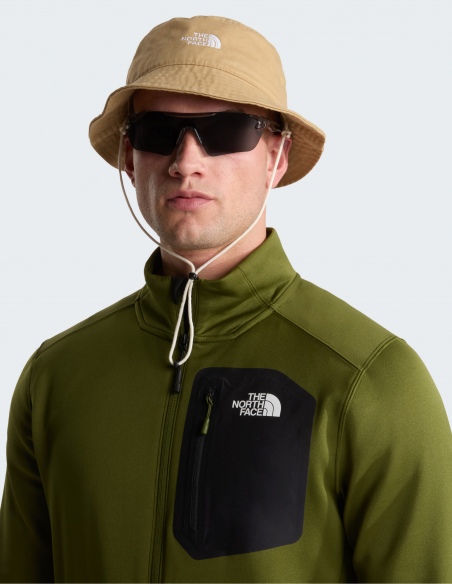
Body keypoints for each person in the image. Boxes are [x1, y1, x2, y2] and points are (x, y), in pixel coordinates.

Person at [0, 14, 451, 583]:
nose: (186, 161)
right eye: (159, 130)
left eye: (228, 130)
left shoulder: (374, 380)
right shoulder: (56, 377)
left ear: (277, 156)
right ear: (130, 155)